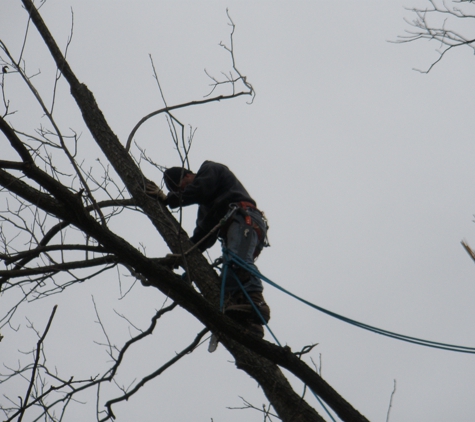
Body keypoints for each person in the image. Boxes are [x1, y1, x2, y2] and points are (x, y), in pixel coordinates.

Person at [146, 161, 270, 338]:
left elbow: (200, 189)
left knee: (237, 261)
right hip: (234, 229)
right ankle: (251, 324)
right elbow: (203, 236)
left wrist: (169, 199)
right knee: (228, 279)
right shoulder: (206, 207)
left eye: (181, 189)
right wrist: (184, 259)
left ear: (188, 175)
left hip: (244, 218)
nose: (183, 194)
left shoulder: (209, 169)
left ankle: (258, 305)